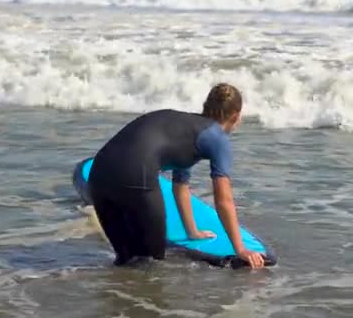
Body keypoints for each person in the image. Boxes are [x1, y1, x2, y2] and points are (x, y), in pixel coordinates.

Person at [88, 83, 265, 269]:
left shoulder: (185, 129)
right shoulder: (217, 138)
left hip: (98, 173)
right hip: (135, 176)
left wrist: (192, 232)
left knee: (124, 260)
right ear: (236, 116)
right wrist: (240, 249)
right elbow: (224, 201)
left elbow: (180, 186)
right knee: (151, 264)